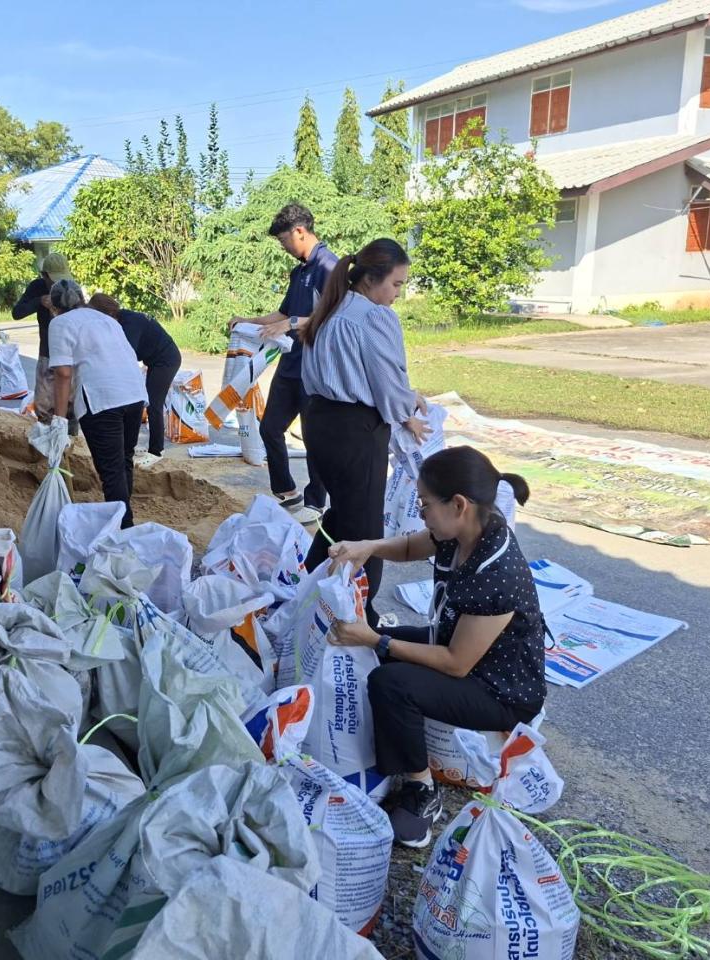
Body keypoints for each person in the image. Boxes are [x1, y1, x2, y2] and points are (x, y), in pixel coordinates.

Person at [326, 446, 543, 848]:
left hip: (499, 690)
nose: (421, 513)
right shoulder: (460, 532)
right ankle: (392, 749)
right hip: (459, 650)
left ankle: (421, 791)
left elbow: (456, 664)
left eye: (425, 505)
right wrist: (366, 547)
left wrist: (378, 639)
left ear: (458, 504)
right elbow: (410, 547)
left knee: (390, 680)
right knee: (375, 646)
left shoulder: (497, 571)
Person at [300, 238, 431, 629]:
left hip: (320, 424)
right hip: (355, 431)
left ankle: (307, 586)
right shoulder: (374, 317)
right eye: (396, 285)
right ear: (372, 280)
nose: (397, 294)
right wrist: (409, 408)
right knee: (366, 530)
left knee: (342, 514)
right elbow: (388, 383)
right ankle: (361, 617)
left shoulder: (330, 308)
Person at [231, 204, 337, 525]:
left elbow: (334, 315)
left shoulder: (328, 267)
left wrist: (291, 322)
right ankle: (288, 491)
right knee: (270, 428)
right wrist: (248, 321)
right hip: (291, 363)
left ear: (299, 232)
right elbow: (282, 315)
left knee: (315, 436)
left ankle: (317, 502)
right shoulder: (300, 271)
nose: (282, 246)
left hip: (315, 368)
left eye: (283, 240)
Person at [48, 280, 147, 528]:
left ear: (55, 307)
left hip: (102, 399)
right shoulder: (106, 319)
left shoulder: (60, 323)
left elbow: (62, 373)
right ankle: (124, 517)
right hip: (133, 393)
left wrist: (59, 421)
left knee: (111, 470)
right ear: (82, 298)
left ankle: (123, 531)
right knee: (123, 461)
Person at [87, 293, 182, 468]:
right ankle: (140, 446)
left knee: (153, 405)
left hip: (166, 360)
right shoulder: (122, 320)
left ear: (108, 315)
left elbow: (126, 354)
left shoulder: (130, 323)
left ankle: (156, 451)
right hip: (154, 361)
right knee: (148, 402)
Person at [13, 251, 77, 432]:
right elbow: (17, 313)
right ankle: (46, 443)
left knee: (71, 406)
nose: (57, 283)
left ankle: (70, 443)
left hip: (70, 352)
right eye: (53, 279)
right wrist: (39, 301)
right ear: (44, 275)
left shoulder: (69, 286)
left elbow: (81, 314)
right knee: (44, 405)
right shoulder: (37, 287)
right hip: (46, 353)